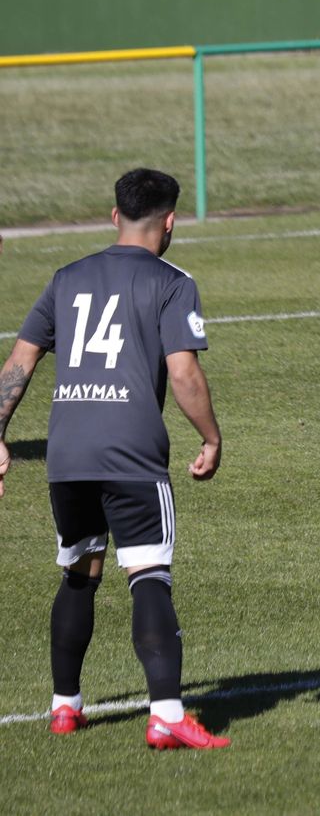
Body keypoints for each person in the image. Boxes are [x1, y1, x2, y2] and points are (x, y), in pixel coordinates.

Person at [0, 169, 230, 749]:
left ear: (113, 216)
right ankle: (168, 714)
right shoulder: (173, 281)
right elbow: (183, 372)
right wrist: (211, 438)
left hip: (67, 455)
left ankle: (64, 706)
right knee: (149, 574)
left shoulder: (66, 278)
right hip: (131, 454)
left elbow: (19, 365)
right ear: (170, 221)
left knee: (80, 573)